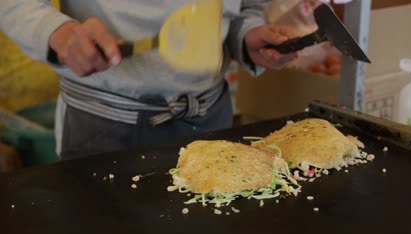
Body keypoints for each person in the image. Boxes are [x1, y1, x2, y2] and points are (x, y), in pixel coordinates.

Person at [0, 1, 298, 160]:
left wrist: (245, 33)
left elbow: (242, 7)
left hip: (211, 116)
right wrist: (59, 33)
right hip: (107, 127)